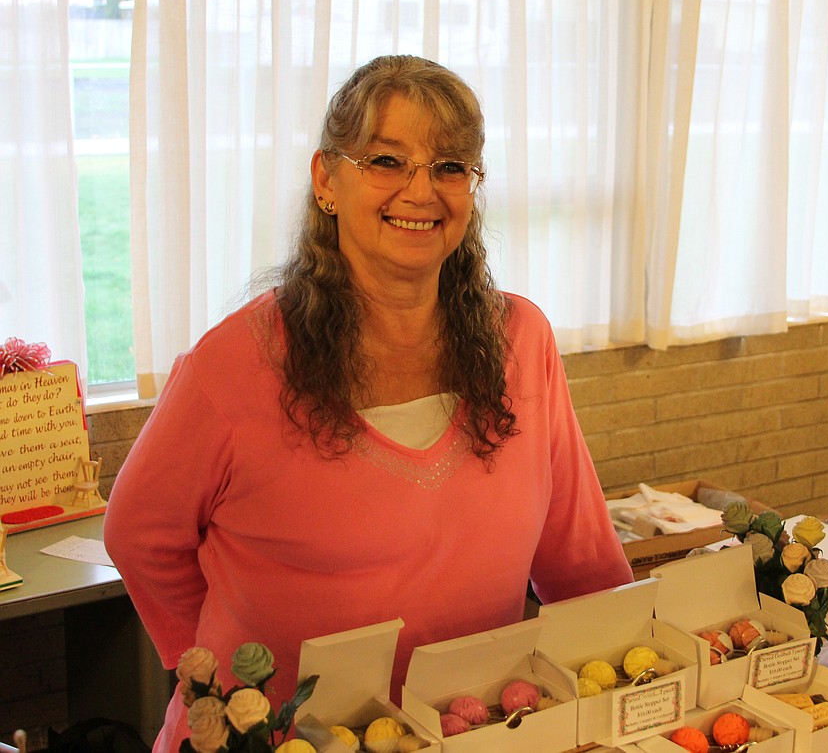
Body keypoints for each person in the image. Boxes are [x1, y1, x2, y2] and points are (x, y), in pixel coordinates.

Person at [104, 55, 634, 753]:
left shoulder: (521, 340)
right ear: (327, 179)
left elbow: (581, 558)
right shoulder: (235, 361)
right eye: (387, 160)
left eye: (451, 167)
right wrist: (217, 672)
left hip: (470, 731)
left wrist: (628, 688)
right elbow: (139, 532)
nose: (422, 191)